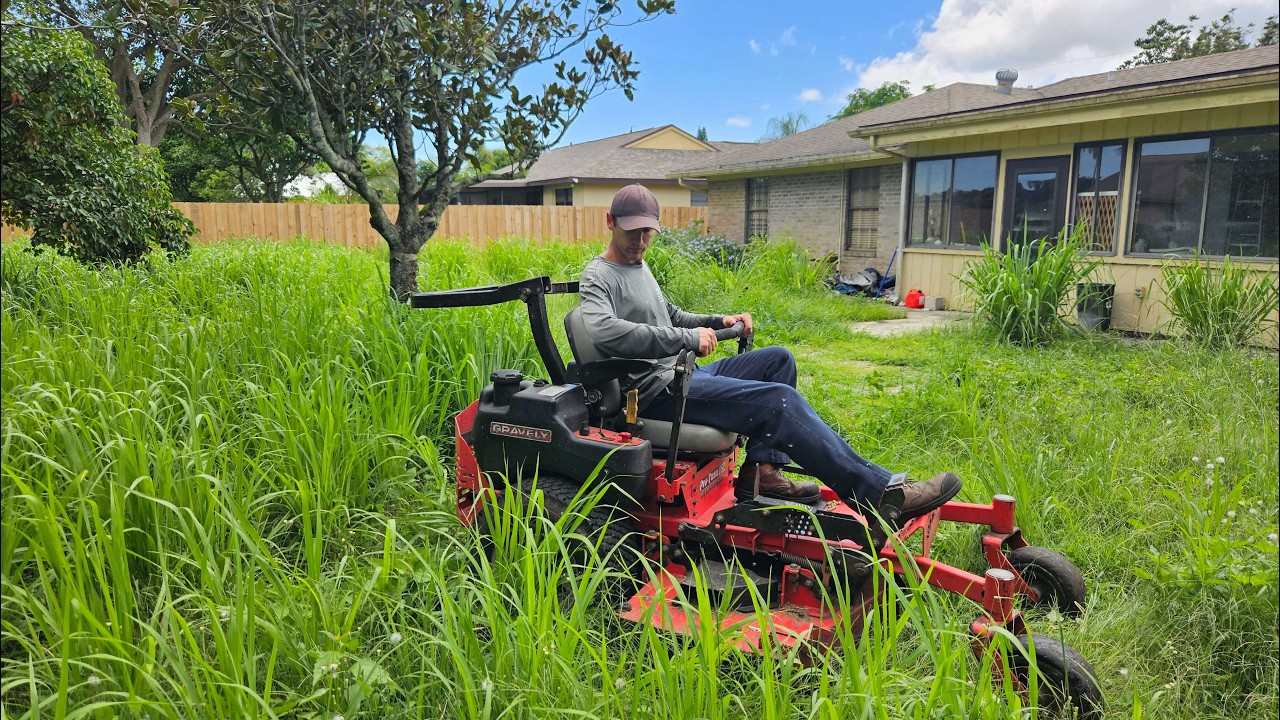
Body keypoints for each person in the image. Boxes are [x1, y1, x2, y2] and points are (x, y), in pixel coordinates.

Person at [577, 184, 962, 524]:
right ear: (610, 222)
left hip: (680, 374)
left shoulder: (640, 267)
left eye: (648, 231)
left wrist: (717, 320)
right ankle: (878, 494)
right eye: (632, 230)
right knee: (778, 401)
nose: (640, 240)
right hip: (651, 393)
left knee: (778, 360)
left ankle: (762, 473)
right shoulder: (599, 276)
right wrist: (686, 338)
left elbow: (670, 316)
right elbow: (603, 331)